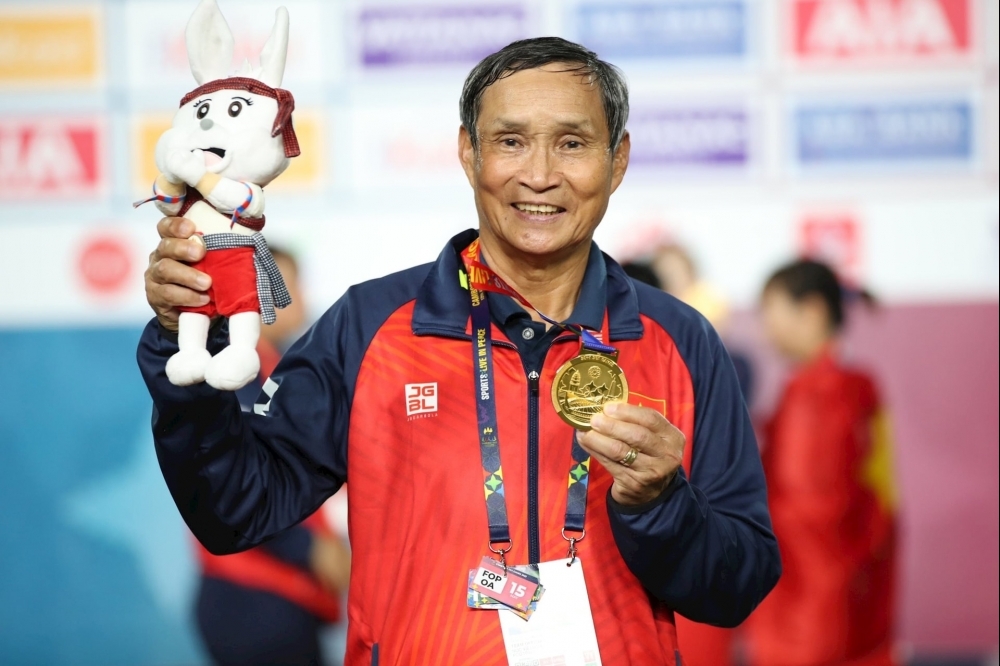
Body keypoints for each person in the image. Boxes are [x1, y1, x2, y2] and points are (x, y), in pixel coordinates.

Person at [139, 37, 780, 664]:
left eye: (572, 143)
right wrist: (183, 340)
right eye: (510, 141)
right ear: (468, 154)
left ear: (618, 160)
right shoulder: (369, 328)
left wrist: (661, 504)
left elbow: (738, 585)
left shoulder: (680, 341)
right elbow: (235, 510)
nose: (539, 175)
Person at [194, 248, 352, 666]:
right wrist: (308, 548)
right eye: (285, 287)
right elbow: (232, 486)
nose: (301, 298)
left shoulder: (272, 371)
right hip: (254, 597)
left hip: (283, 596)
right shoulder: (230, 375)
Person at [746, 259, 898, 666]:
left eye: (771, 310)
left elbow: (803, 508)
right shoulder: (860, 384)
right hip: (861, 579)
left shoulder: (817, 393)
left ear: (812, 311)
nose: (765, 328)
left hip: (808, 598)